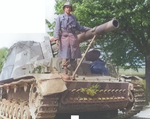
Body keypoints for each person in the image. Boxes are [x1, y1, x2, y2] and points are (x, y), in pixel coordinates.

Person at [53, 1, 91, 74]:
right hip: (64, 37)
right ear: (64, 9)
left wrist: (90, 29)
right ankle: (65, 69)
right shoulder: (60, 17)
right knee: (65, 53)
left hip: (73, 37)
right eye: (67, 7)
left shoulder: (73, 18)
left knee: (74, 54)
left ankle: (73, 69)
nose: (68, 9)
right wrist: (56, 38)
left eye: (69, 7)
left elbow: (79, 27)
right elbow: (57, 28)